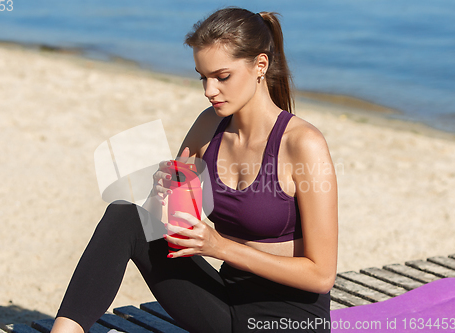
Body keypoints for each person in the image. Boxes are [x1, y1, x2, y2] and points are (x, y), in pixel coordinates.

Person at [51, 7, 338, 333]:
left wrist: (219, 246)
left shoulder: (303, 144)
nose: (209, 90)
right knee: (126, 215)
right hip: (225, 303)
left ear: (260, 65)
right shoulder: (208, 126)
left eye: (222, 76)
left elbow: (322, 275)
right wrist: (164, 195)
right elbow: (168, 224)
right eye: (203, 77)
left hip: (287, 320)